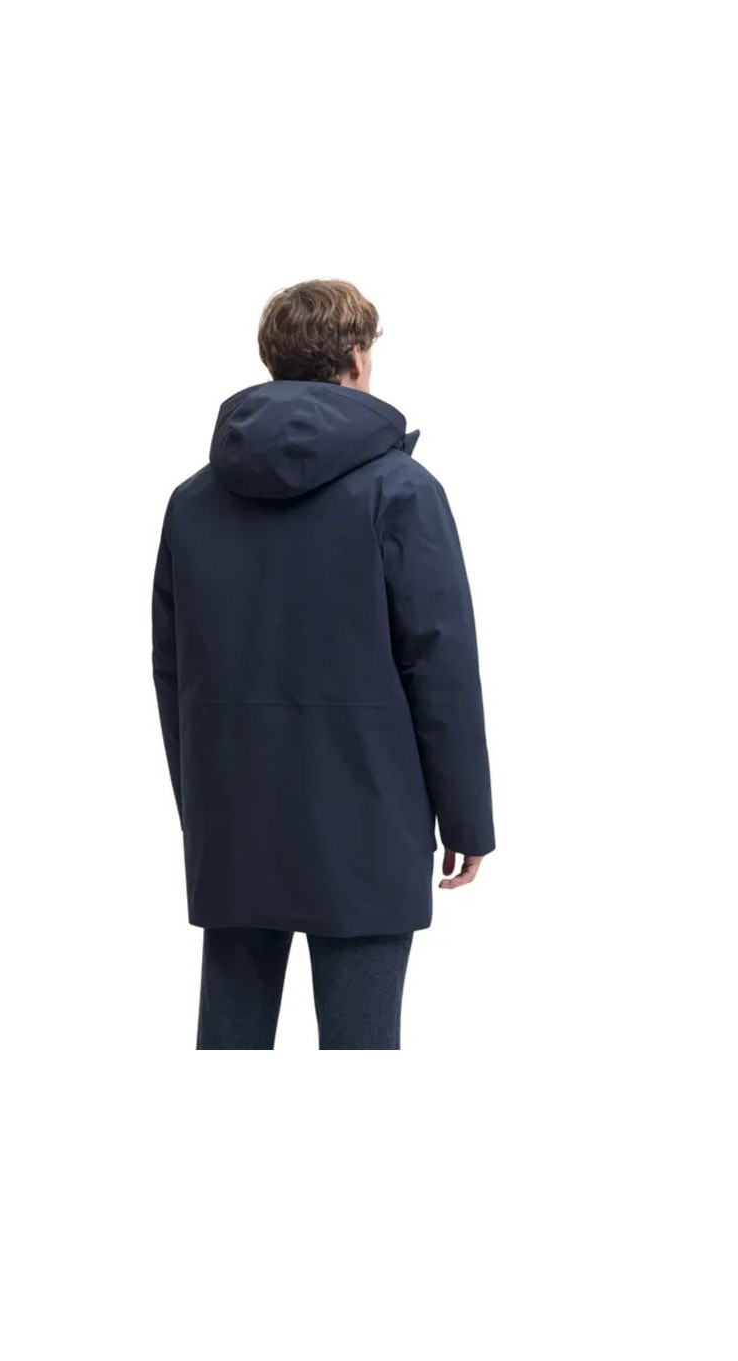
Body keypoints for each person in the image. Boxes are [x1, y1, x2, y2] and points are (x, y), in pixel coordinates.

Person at [151, 279, 494, 1049]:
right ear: (357, 357)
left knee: (230, 1045)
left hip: (234, 816)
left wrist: (203, 806)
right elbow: (440, 664)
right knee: (361, 1048)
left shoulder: (192, 502)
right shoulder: (401, 491)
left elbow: (174, 674)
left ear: (273, 359)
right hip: (368, 821)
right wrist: (467, 814)